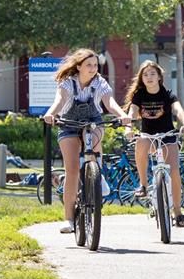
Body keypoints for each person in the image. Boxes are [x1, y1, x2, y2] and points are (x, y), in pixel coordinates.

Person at [43, 49, 132, 234]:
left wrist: (123, 115)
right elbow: (60, 100)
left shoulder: (100, 82)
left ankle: (96, 175)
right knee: (72, 170)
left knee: (94, 134)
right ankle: (68, 219)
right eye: (89, 65)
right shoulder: (67, 82)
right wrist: (51, 113)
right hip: (68, 124)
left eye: (95, 65)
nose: (93, 69)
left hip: (92, 122)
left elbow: (110, 103)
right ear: (79, 67)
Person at [124, 60, 184, 228]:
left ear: (160, 77)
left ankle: (177, 211)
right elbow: (132, 112)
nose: (149, 77)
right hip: (148, 135)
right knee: (140, 142)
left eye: (152, 74)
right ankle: (144, 185)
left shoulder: (167, 94)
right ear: (141, 78)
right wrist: (128, 128)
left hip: (167, 135)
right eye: (145, 74)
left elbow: (178, 110)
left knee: (174, 171)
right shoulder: (139, 95)